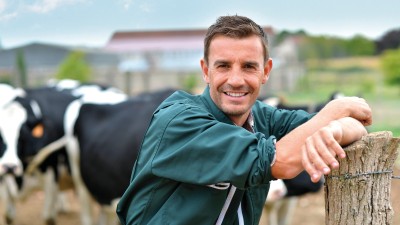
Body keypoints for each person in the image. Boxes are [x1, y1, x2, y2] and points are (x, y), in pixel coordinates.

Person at [116, 15, 372, 225]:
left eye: (249, 66)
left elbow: (358, 124)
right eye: (224, 66)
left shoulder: (263, 116)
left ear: (266, 71)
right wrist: (333, 111)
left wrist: (335, 130)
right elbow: (281, 162)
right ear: (206, 71)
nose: (236, 79)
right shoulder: (179, 121)